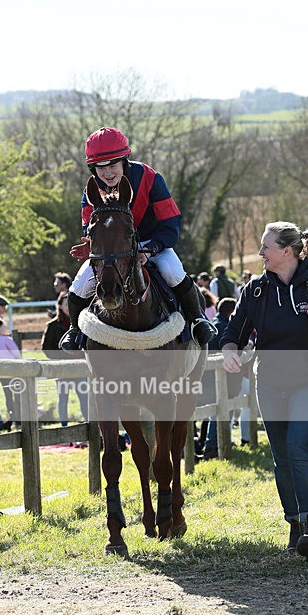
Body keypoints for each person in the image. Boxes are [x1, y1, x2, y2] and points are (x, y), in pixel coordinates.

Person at [221, 221, 308, 561]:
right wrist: (229, 351)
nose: (260, 253)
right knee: (282, 459)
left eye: (266, 247)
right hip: (270, 384)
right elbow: (233, 331)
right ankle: (295, 525)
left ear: (287, 251)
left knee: (298, 447)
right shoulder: (255, 291)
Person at [60, 126, 216, 350]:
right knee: (80, 286)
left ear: (125, 160)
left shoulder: (150, 178)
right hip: (112, 252)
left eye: (113, 165)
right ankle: (75, 330)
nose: (108, 173)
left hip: (153, 243)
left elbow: (171, 224)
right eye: (100, 168)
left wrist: (149, 250)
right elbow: (89, 227)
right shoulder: (91, 191)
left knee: (173, 272)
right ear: (93, 169)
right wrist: (90, 246)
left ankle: (198, 321)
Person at [200, 298, 243, 459]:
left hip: (207, 376)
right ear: (232, 312)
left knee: (215, 412)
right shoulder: (224, 327)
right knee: (220, 412)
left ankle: (211, 444)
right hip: (220, 377)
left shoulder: (213, 323)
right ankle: (212, 446)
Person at [41, 291, 89, 425]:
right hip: (62, 369)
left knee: (84, 398)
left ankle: (88, 426)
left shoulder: (81, 324)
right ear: (60, 305)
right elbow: (46, 348)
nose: (68, 306)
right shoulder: (53, 325)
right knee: (63, 399)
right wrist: (64, 356)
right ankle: (63, 427)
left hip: (80, 368)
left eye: (70, 304)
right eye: (65, 303)